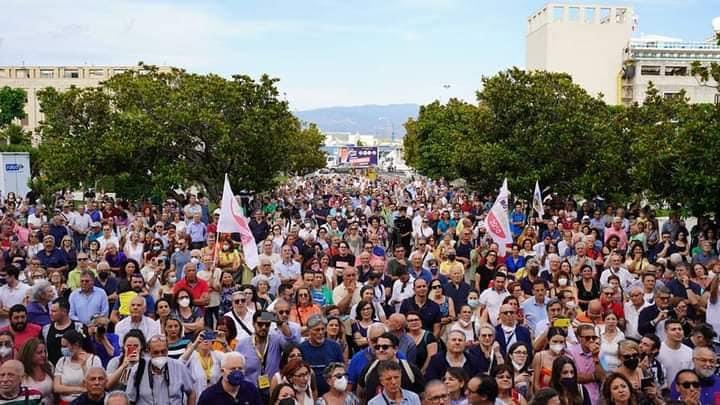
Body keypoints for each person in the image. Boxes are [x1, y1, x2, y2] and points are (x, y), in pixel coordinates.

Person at [235, 310, 298, 401]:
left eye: (267, 324)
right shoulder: (242, 344)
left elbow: (291, 344)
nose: (264, 327)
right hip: (250, 391)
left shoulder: (276, 339)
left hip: (272, 390)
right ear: (253, 324)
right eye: (260, 324)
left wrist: (281, 323)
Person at [125, 335, 196, 405]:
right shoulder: (137, 369)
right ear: (148, 352)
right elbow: (130, 399)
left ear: (168, 350)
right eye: (156, 352)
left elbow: (191, 393)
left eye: (163, 351)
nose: (160, 355)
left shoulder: (179, 367)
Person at [357, 332, 424, 401]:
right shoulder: (369, 368)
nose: (381, 350)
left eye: (385, 347)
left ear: (395, 349)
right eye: (377, 347)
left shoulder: (410, 369)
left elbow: (422, 396)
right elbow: (360, 394)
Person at [53, 329, 103, 404]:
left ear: (75, 345)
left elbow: (92, 385)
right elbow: (56, 388)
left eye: (65, 346)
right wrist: (80, 389)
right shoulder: (62, 361)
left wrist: (84, 367)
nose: (63, 349)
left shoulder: (94, 360)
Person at [299, 314, 343, 396]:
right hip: (309, 394)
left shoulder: (334, 347)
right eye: (317, 330)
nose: (321, 332)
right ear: (309, 331)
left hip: (332, 394)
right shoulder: (301, 348)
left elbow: (341, 370)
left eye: (323, 329)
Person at [197, 352, 263, 405]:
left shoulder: (251, 389)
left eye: (240, 368)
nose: (237, 372)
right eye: (232, 369)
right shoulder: (208, 396)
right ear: (222, 371)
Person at [566, 324, 605, 404]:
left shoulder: (600, 352)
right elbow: (573, 377)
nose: (591, 340)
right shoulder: (570, 352)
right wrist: (594, 376)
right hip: (577, 396)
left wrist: (595, 358)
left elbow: (602, 377)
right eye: (587, 338)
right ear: (579, 338)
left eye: (593, 337)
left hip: (596, 397)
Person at [42, 298, 84, 366]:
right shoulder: (45, 329)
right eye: (51, 311)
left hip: (76, 368)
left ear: (64, 311)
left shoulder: (79, 327)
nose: (51, 314)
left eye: (54, 311)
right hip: (53, 369)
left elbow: (88, 350)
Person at [657, 319, 694, 386]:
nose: (678, 332)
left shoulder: (690, 351)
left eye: (680, 329)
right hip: (663, 391)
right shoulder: (658, 350)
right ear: (666, 332)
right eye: (673, 329)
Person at [17, 338, 54, 405]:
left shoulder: (49, 366)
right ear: (29, 353)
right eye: (39, 352)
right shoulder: (20, 370)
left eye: (44, 352)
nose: (43, 355)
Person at [531, 327, 567, 391]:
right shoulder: (540, 356)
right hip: (543, 395)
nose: (558, 344)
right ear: (548, 340)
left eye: (561, 342)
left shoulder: (566, 358)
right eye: (555, 341)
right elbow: (536, 384)